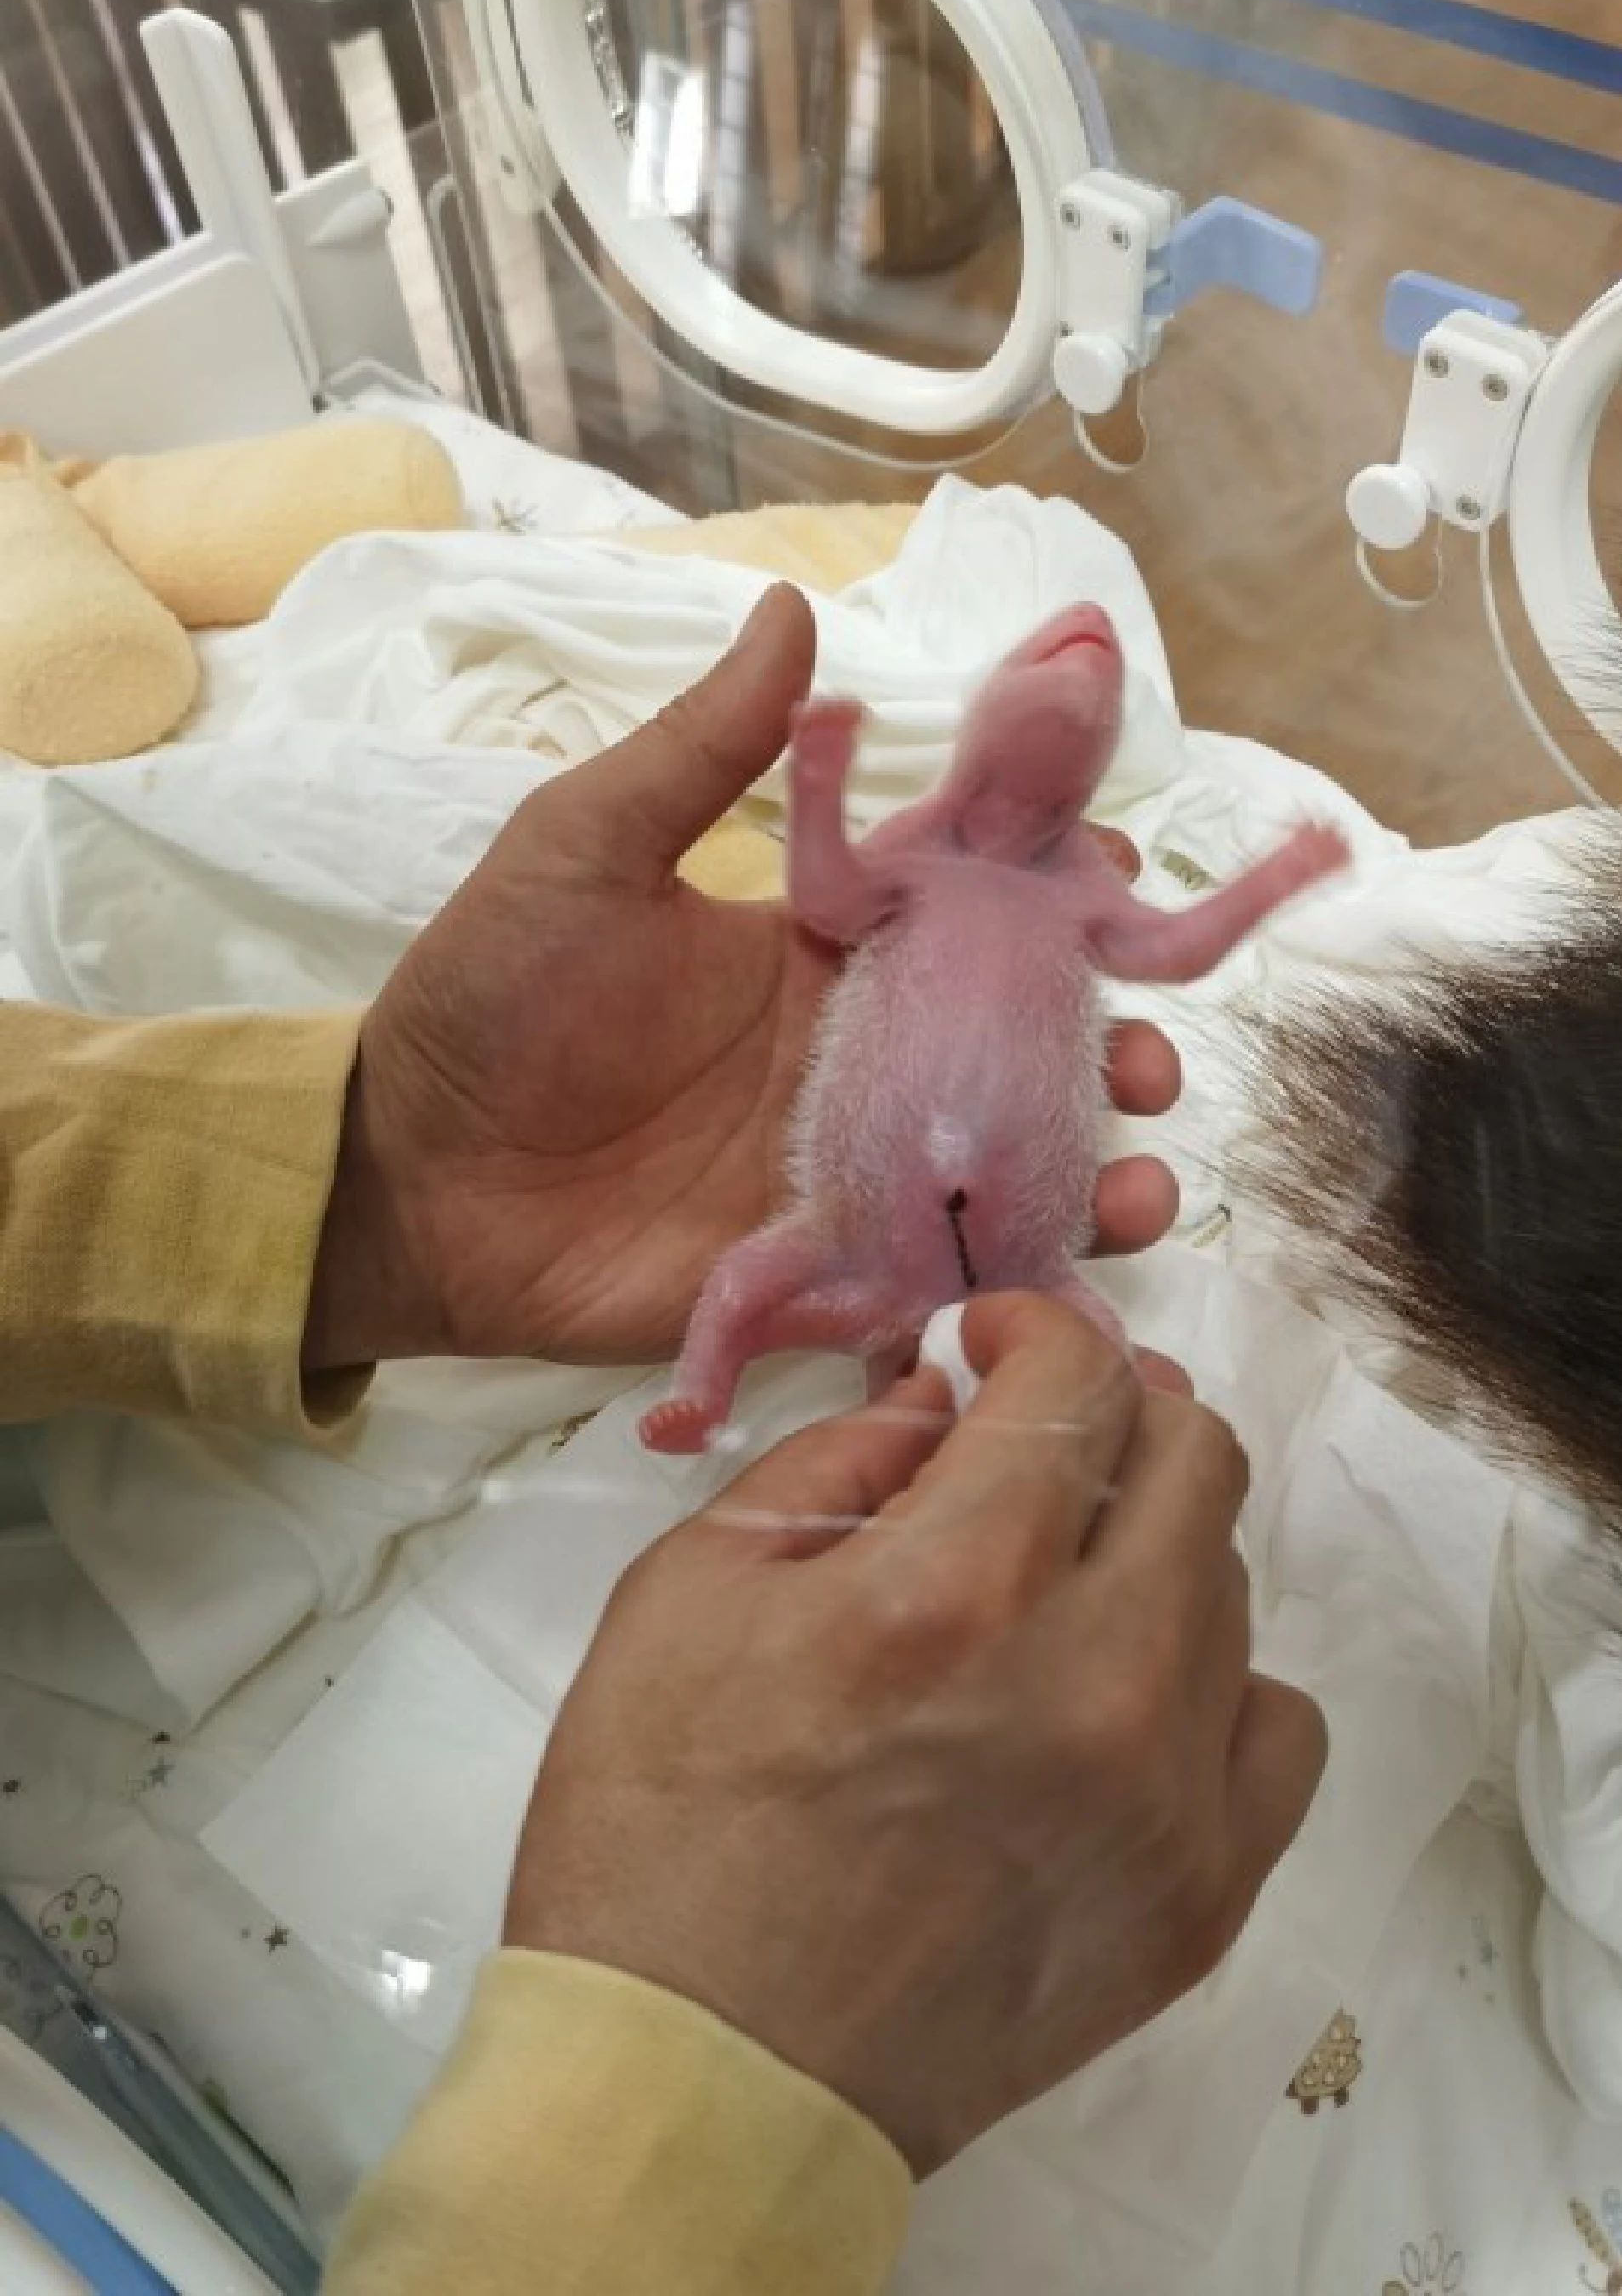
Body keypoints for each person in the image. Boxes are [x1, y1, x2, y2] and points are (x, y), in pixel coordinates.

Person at [0, 583, 1327, 2292]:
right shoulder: (930, 843)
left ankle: (1014, 1450)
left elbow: (1160, 950)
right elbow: (836, 897)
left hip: (1022, 1244)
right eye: (1041, 679)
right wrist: (699, 2106)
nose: (1064, 689)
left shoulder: (1080, 879)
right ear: (988, 723)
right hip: (847, 1224)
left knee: (1041, 1345)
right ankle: (718, 1387)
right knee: (771, 1276)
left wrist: (386, 1184)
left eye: (1089, 688)